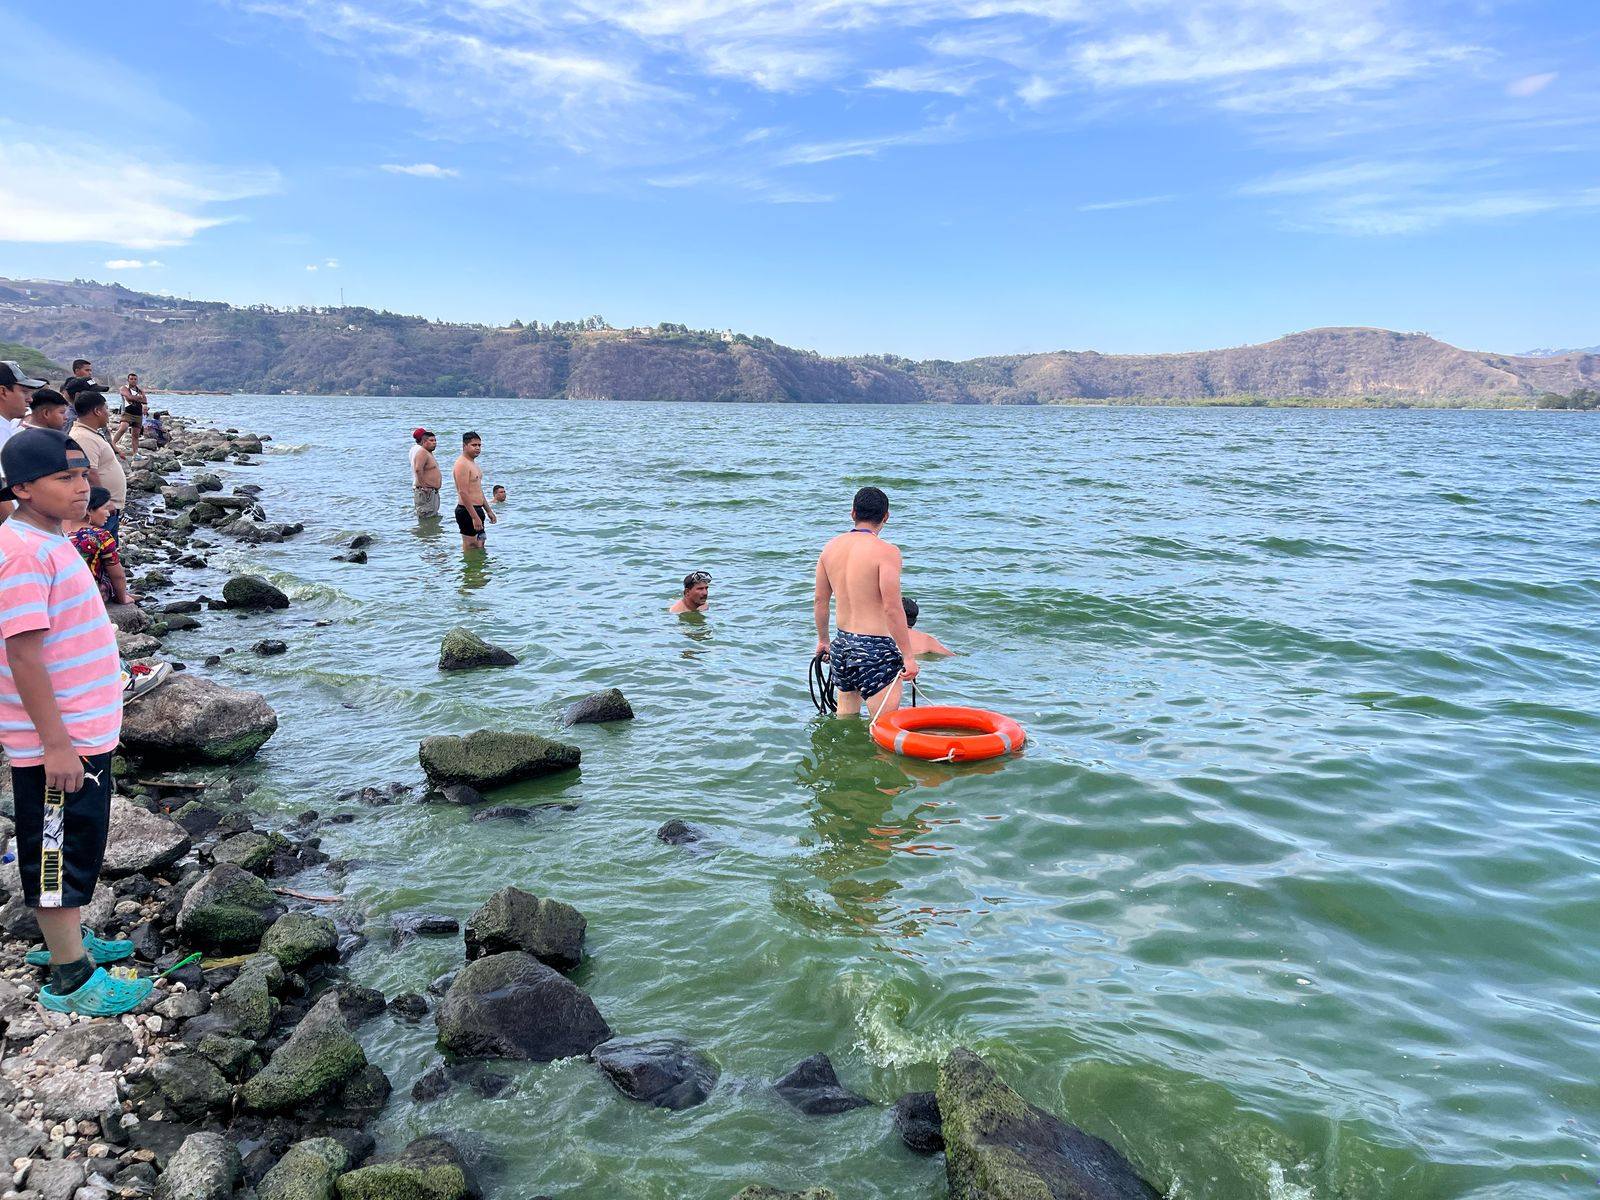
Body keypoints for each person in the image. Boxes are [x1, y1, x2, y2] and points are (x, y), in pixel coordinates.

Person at [0, 428, 152, 1016]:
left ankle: (68, 940)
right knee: (56, 851)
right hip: (58, 743)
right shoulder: (22, 553)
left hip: (82, 731)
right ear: (22, 488)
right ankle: (70, 978)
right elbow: (23, 656)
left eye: (84, 475)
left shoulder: (50, 538)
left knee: (76, 842)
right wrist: (55, 745)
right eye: (64, 478)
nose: (81, 488)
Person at [813, 486, 917, 719]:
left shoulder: (830, 548)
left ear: (853, 513)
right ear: (886, 517)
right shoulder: (886, 552)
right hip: (875, 650)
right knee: (884, 729)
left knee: (846, 722)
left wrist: (823, 640)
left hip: (842, 647)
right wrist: (908, 657)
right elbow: (892, 607)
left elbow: (820, 601)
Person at [69, 394, 127, 543]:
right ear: (97, 411)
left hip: (107, 508)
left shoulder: (90, 434)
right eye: (106, 408)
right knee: (100, 554)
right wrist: (105, 502)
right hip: (101, 509)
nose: (108, 413)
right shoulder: (83, 437)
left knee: (110, 552)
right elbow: (89, 473)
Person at [66, 487, 134, 604]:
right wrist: (122, 599)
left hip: (62, 593)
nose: (108, 514)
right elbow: (118, 576)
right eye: (105, 508)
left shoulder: (57, 531)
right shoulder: (101, 536)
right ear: (89, 510)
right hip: (89, 595)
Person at [0, 361, 47, 524]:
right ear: (3, 391)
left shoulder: (6, 427)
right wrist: (19, 531)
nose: (30, 399)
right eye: (24, 391)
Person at [452, 431, 495, 550]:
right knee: (471, 545)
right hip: (467, 511)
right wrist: (474, 517)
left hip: (477, 509)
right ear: (464, 446)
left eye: (479, 445)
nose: (477, 448)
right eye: (474, 445)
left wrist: (488, 510)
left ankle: (478, 568)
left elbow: (478, 490)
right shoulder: (462, 464)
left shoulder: (473, 463)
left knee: (480, 544)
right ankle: (469, 568)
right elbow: (463, 492)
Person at [112, 374, 146, 455]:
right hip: (127, 412)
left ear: (137, 380)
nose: (133, 380)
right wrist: (139, 398)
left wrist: (135, 398)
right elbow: (128, 397)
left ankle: (135, 453)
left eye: (135, 379)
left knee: (136, 435)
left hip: (138, 413)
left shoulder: (140, 390)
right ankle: (112, 444)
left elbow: (145, 400)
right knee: (123, 427)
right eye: (131, 379)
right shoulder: (124, 388)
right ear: (128, 380)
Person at [410, 428, 441, 518]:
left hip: (431, 492)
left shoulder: (427, 452)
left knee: (432, 519)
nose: (434, 442)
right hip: (425, 493)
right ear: (423, 441)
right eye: (431, 440)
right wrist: (424, 487)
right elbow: (418, 469)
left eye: (435, 440)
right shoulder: (422, 452)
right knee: (426, 519)